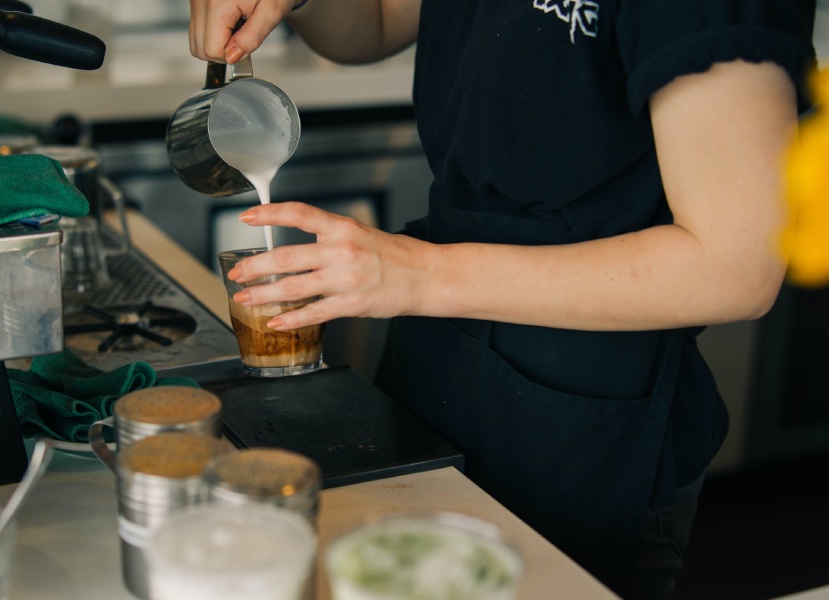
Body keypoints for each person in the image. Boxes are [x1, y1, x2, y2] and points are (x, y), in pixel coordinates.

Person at [186, 1, 816, 598]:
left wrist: (423, 276)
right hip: (434, 352)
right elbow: (377, 20)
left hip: (584, 408)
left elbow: (737, 267)